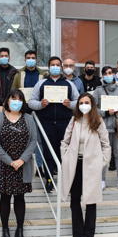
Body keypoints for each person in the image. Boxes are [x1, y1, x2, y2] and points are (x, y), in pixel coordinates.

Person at [61, 93, 111, 237]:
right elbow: (65, 140)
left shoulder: (98, 121)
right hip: (75, 164)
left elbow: (106, 144)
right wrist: (65, 157)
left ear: (92, 104)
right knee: (75, 199)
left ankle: (89, 234)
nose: (84, 105)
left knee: (91, 200)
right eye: (81, 102)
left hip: (91, 166)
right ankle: (78, 232)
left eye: (87, 102)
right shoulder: (74, 120)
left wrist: (102, 162)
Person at [0, 90, 37, 237]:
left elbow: (33, 142)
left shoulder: (29, 119)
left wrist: (22, 160)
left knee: (20, 197)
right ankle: (5, 229)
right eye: (13, 99)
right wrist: (10, 161)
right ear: (7, 101)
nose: (16, 102)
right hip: (5, 166)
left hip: (22, 165)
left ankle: (20, 229)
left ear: (23, 102)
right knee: (4, 197)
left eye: (19, 99)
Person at [28, 56, 79, 192]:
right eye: (53, 65)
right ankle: (49, 180)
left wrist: (70, 104)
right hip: (46, 123)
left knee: (63, 152)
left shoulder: (69, 84)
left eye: (58, 65)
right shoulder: (41, 83)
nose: (55, 67)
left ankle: (65, 181)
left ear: (61, 67)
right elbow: (31, 102)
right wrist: (41, 104)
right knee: (48, 152)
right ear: (49, 67)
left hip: (64, 123)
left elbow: (79, 102)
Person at [93, 66, 118, 192]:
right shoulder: (98, 91)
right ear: (103, 76)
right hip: (103, 127)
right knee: (103, 155)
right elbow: (93, 109)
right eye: (105, 74)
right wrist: (105, 112)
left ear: (114, 74)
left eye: (110, 73)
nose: (108, 75)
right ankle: (102, 180)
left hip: (117, 127)